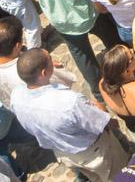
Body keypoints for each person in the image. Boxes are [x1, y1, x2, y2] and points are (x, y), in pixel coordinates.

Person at [10, 48, 128, 181]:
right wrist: (107, 115)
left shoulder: (16, 96)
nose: (53, 61)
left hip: (64, 153)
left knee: (95, 178)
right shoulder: (69, 102)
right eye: (50, 59)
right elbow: (99, 122)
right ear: (44, 73)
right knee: (120, 175)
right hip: (94, 152)